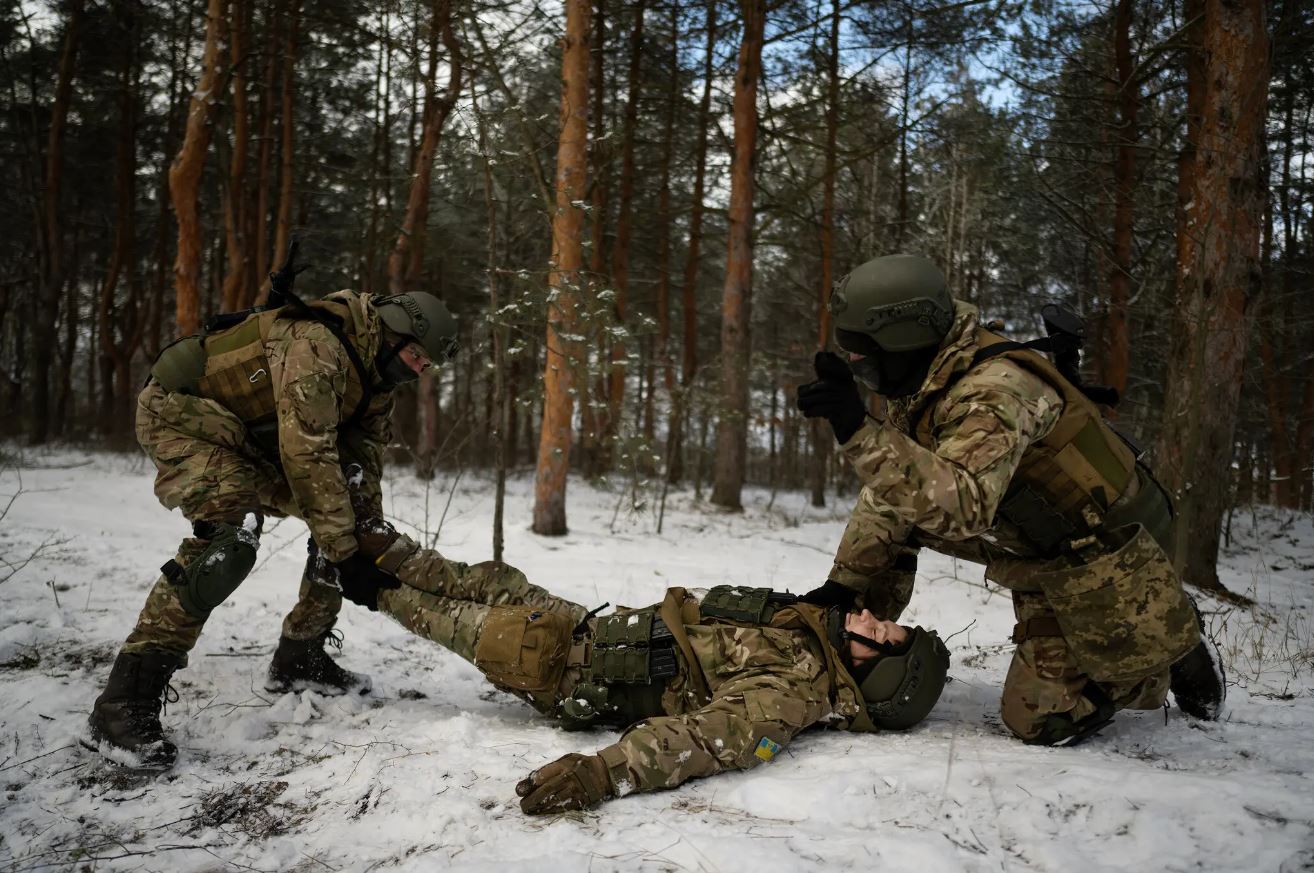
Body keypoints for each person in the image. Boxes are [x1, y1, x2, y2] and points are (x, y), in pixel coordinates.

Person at [796, 253, 1226, 747]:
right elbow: (893, 491)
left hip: (1101, 557)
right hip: (1027, 535)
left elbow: (961, 510)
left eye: (866, 360)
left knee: (1042, 722)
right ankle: (852, 642)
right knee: (899, 508)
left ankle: (1165, 636)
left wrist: (856, 429)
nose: (861, 370)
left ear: (903, 340)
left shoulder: (996, 391)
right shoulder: (928, 372)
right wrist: (845, 585)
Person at [323, 510, 951, 814]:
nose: (867, 617)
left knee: (442, 617)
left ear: (874, 670)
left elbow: (705, 740)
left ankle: (351, 577)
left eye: (879, 630)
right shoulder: (819, 630)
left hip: (559, 667)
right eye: (880, 617)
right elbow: (887, 548)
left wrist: (602, 775)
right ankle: (362, 538)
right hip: (584, 623)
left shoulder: (790, 693)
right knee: (484, 579)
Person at [87, 286, 459, 770]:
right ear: (393, 330)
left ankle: (299, 658)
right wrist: (345, 551)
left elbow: (358, 468)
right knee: (229, 543)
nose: (415, 371)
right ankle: (121, 705)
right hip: (182, 419)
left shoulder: (374, 381)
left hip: (255, 438)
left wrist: (364, 543)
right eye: (414, 356)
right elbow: (308, 455)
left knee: (347, 526)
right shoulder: (319, 347)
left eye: (424, 367)